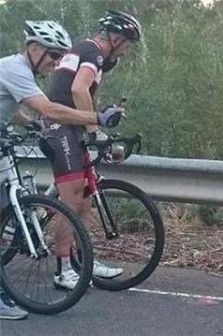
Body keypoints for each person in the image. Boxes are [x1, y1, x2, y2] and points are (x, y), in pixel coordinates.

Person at [0, 20, 123, 319]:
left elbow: (11, 107)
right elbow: (51, 108)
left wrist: (30, 123)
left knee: (5, 204)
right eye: (53, 56)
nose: (57, 64)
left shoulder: (20, 71)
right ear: (34, 49)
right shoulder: (15, 68)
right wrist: (94, 117)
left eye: (59, 57)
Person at [39, 10, 142, 290]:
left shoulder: (87, 50)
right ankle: (63, 270)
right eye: (128, 46)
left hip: (70, 126)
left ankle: (82, 261)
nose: (127, 53)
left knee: (85, 200)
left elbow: (84, 97)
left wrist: (96, 126)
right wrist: (95, 131)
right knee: (71, 202)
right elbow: (78, 90)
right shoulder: (95, 52)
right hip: (59, 126)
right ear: (116, 38)